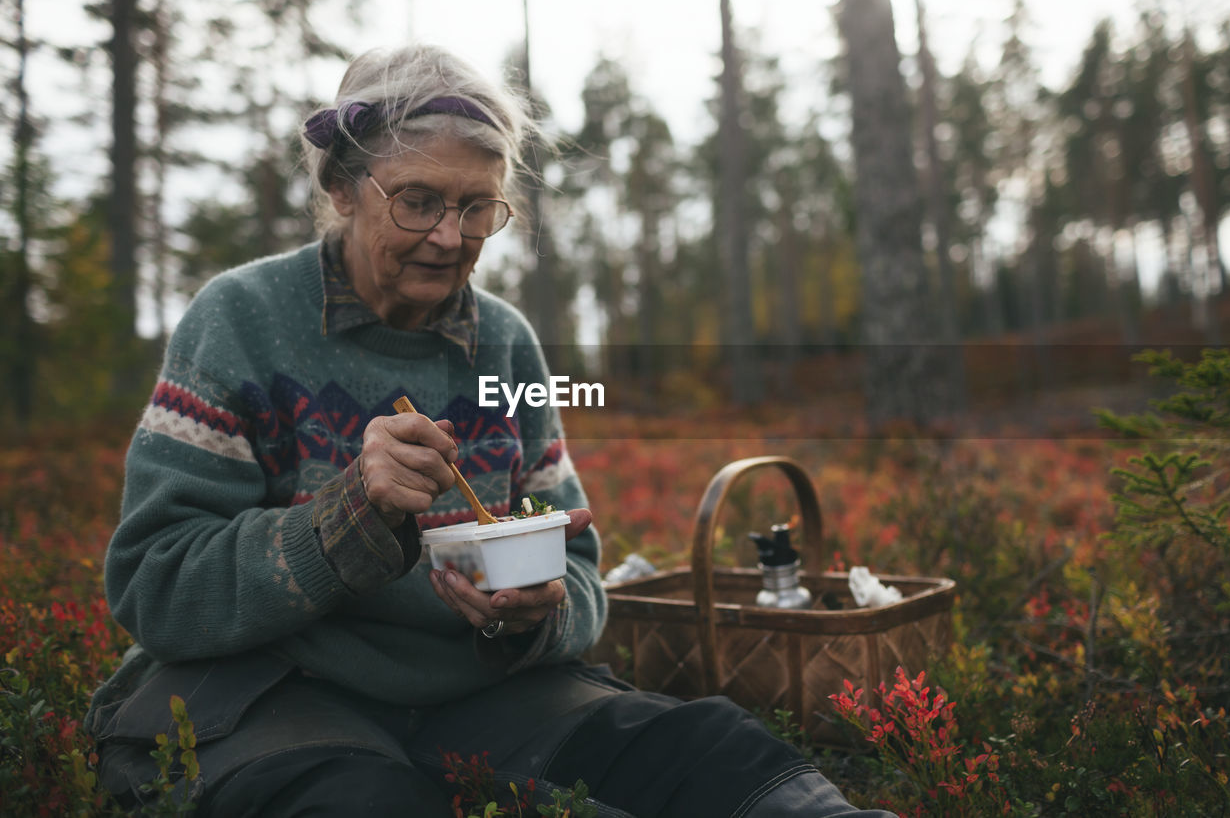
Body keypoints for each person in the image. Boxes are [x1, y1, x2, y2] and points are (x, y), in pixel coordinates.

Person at [85, 44, 895, 818]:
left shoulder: (505, 344)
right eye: (419, 200)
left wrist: (535, 611)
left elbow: (577, 567)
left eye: (479, 207)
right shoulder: (241, 320)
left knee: (709, 748)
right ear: (342, 185)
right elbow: (154, 582)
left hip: (477, 695)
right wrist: (345, 519)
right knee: (361, 803)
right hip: (272, 692)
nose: (450, 236)